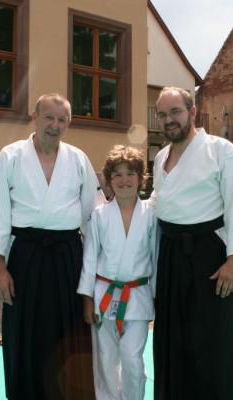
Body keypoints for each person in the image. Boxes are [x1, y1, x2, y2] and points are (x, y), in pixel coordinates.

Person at [0, 93, 104, 400]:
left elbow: (92, 216)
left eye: (62, 120)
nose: (55, 125)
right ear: (34, 118)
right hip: (25, 255)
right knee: (25, 331)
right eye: (49, 117)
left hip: (67, 256)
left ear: (69, 124)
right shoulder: (10, 156)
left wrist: (96, 275)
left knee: (69, 331)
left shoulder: (78, 159)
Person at [151, 87, 233, 400]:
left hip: (209, 258)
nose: (169, 120)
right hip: (170, 256)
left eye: (176, 112)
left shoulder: (221, 150)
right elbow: (158, 204)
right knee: (172, 339)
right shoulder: (159, 157)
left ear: (192, 112)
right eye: (163, 114)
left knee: (212, 342)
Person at [77, 145, 157, 400]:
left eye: (131, 173)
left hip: (139, 295)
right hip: (104, 295)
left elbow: (156, 258)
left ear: (141, 178)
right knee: (106, 360)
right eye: (118, 175)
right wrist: (87, 298)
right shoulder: (99, 215)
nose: (124, 180)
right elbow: (89, 257)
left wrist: (156, 299)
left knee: (132, 359)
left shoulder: (152, 215)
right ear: (109, 181)